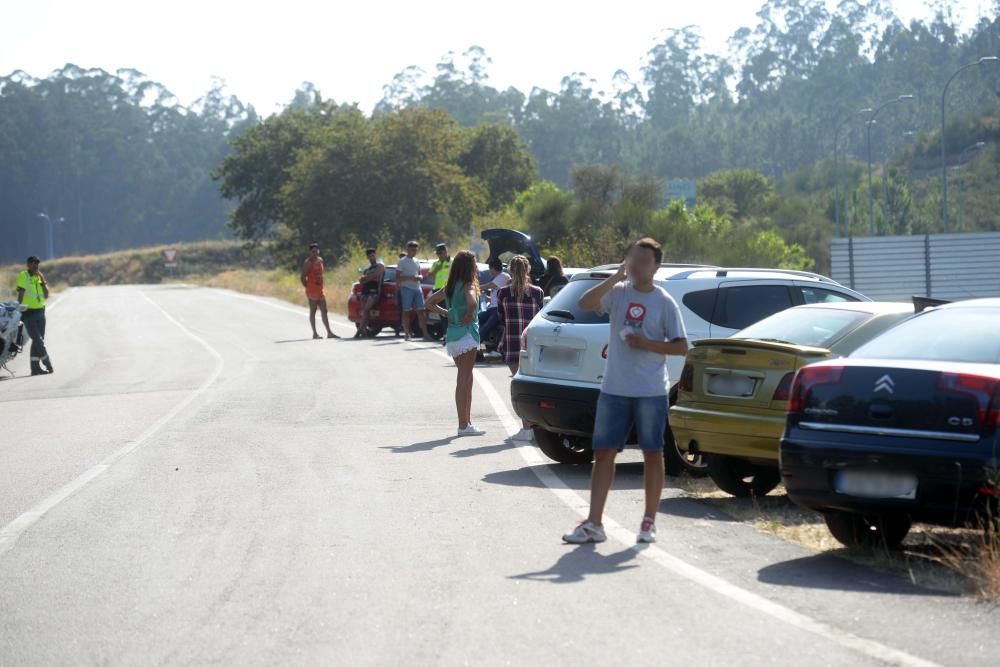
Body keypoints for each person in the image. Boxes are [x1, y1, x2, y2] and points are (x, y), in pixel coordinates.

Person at [563, 238, 688, 545]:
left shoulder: (664, 302)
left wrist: (646, 344)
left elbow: (681, 345)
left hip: (650, 391)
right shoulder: (618, 293)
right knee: (604, 453)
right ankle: (594, 524)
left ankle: (648, 522)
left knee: (652, 454)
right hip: (614, 389)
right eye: (633, 258)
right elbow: (586, 304)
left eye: (644, 261)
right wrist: (615, 276)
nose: (636, 265)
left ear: (656, 266)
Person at [425, 251, 485, 437]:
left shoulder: (450, 286)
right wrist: (468, 313)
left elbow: (429, 302)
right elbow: (472, 302)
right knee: (463, 380)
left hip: (453, 336)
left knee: (467, 380)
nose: (476, 267)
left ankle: (467, 422)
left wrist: (447, 313)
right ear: (469, 267)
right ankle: (463, 425)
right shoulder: (468, 285)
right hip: (467, 335)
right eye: (474, 264)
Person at [497, 255, 544, 442]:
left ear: (509, 270)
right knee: (534, 386)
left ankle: (526, 428)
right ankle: (536, 426)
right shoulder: (537, 292)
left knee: (519, 386)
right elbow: (541, 317)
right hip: (531, 344)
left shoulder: (502, 293)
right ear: (528, 270)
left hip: (511, 342)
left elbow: (500, 318)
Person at [16, 255, 53, 376]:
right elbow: (20, 295)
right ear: (28, 265)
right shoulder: (23, 275)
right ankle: (48, 363)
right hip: (28, 313)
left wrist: (42, 280)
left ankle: (35, 368)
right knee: (38, 340)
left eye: (37, 263)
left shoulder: (39, 277)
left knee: (37, 341)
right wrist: (19, 311)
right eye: (33, 263)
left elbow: (46, 295)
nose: (36, 265)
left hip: (40, 312)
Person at [300, 243, 340, 340]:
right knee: (313, 311)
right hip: (312, 290)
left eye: (317, 251)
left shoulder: (320, 260)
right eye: (313, 251)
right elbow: (302, 277)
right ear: (310, 252)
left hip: (320, 289)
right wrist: (308, 287)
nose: (315, 253)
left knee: (324, 311)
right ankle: (315, 333)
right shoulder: (308, 263)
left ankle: (329, 333)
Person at [396, 240, 430, 341]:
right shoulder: (402, 261)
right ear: (407, 249)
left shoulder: (416, 260)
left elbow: (419, 274)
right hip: (406, 289)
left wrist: (419, 277)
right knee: (406, 312)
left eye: (415, 249)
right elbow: (398, 277)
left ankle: (425, 334)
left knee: (421, 311)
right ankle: (406, 334)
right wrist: (411, 277)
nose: (414, 251)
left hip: (417, 288)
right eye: (412, 249)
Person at [478, 258, 509, 356]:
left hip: (498, 309)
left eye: (489, 268)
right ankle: (479, 347)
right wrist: (485, 297)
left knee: (487, 326)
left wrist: (476, 288)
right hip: (491, 308)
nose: (489, 271)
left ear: (492, 268)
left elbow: (490, 285)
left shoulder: (503, 276)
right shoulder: (497, 278)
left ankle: (473, 348)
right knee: (476, 318)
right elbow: (494, 297)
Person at [356, 247, 385, 338]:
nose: (372, 257)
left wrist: (367, 277)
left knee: (366, 310)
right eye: (370, 256)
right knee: (365, 312)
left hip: (374, 292)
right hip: (365, 292)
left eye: (373, 255)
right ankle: (364, 331)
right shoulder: (367, 268)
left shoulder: (380, 266)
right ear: (367, 257)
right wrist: (368, 277)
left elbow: (375, 277)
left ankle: (359, 331)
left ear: (375, 255)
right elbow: (361, 280)